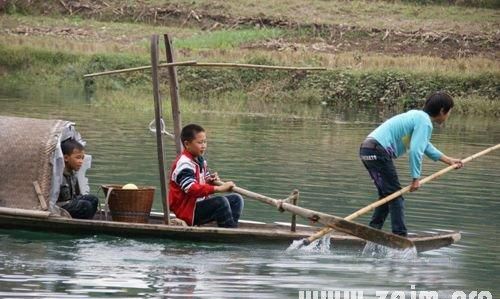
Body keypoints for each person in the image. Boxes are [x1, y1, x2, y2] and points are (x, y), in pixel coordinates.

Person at [359, 91, 463, 236]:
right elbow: (416, 151)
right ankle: (400, 237)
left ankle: (372, 232)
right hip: (377, 151)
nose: (448, 115)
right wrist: (416, 178)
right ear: (442, 111)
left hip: (367, 150)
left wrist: (448, 160)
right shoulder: (424, 122)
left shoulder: (417, 116)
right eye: (449, 111)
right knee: (396, 196)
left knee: (387, 195)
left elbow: (424, 145)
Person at [168, 124, 244, 228]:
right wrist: (219, 188)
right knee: (221, 202)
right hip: (187, 211)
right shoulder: (184, 164)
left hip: (199, 205)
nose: (203, 145)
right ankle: (229, 230)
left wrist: (209, 180)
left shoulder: (200, 160)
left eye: (205, 142)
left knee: (237, 199)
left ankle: (230, 227)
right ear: (187, 144)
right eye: (200, 142)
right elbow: (191, 188)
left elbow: (203, 180)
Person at [57, 139, 98, 219]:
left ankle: (87, 222)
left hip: (71, 202)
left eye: (82, 158)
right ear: (66, 158)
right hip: (60, 207)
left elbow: (77, 195)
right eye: (78, 158)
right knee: (86, 206)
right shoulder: (58, 175)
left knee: (93, 199)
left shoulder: (72, 174)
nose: (81, 161)